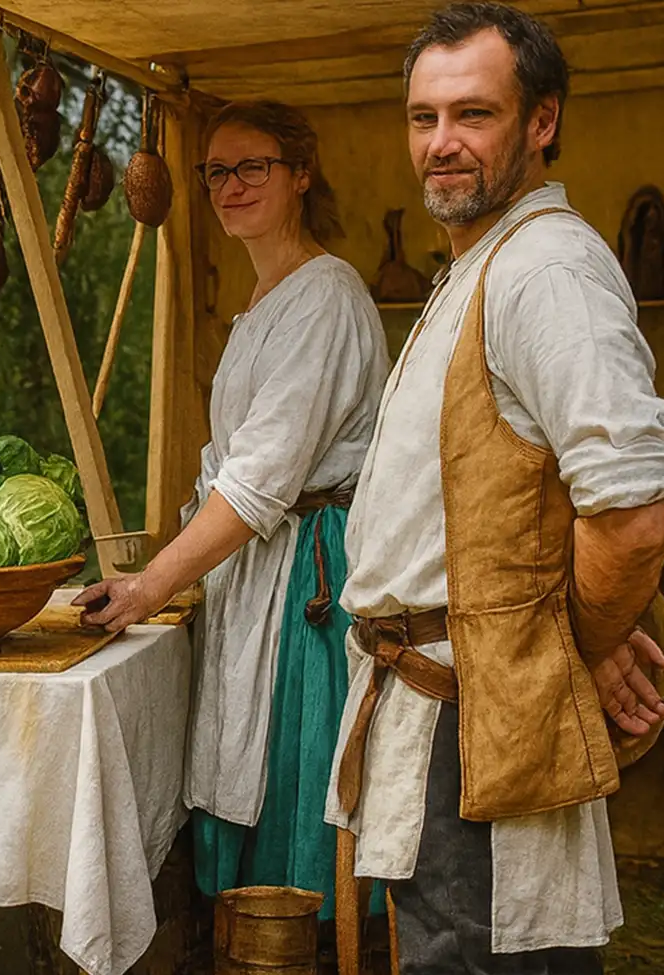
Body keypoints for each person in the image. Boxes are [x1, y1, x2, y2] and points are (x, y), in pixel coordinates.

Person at [329, 5, 664, 975]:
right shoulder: (484, 265)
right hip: (468, 692)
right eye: (423, 116)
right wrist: (574, 643)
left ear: (540, 122)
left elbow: (626, 512)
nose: (442, 140)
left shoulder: (544, 276)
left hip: (472, 710)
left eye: (472, 113)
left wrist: (562, 650)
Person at [74, 102, 388, 917]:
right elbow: (232, 470)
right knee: (245, 761)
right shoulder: (263, 302)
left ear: (301, 175)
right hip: (261, 566)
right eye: (217, 170)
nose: (231, 185)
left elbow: (257, 486)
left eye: (254, 167)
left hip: (309, 584)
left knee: (295, 777)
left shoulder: (325, 296)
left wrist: (151, 584)